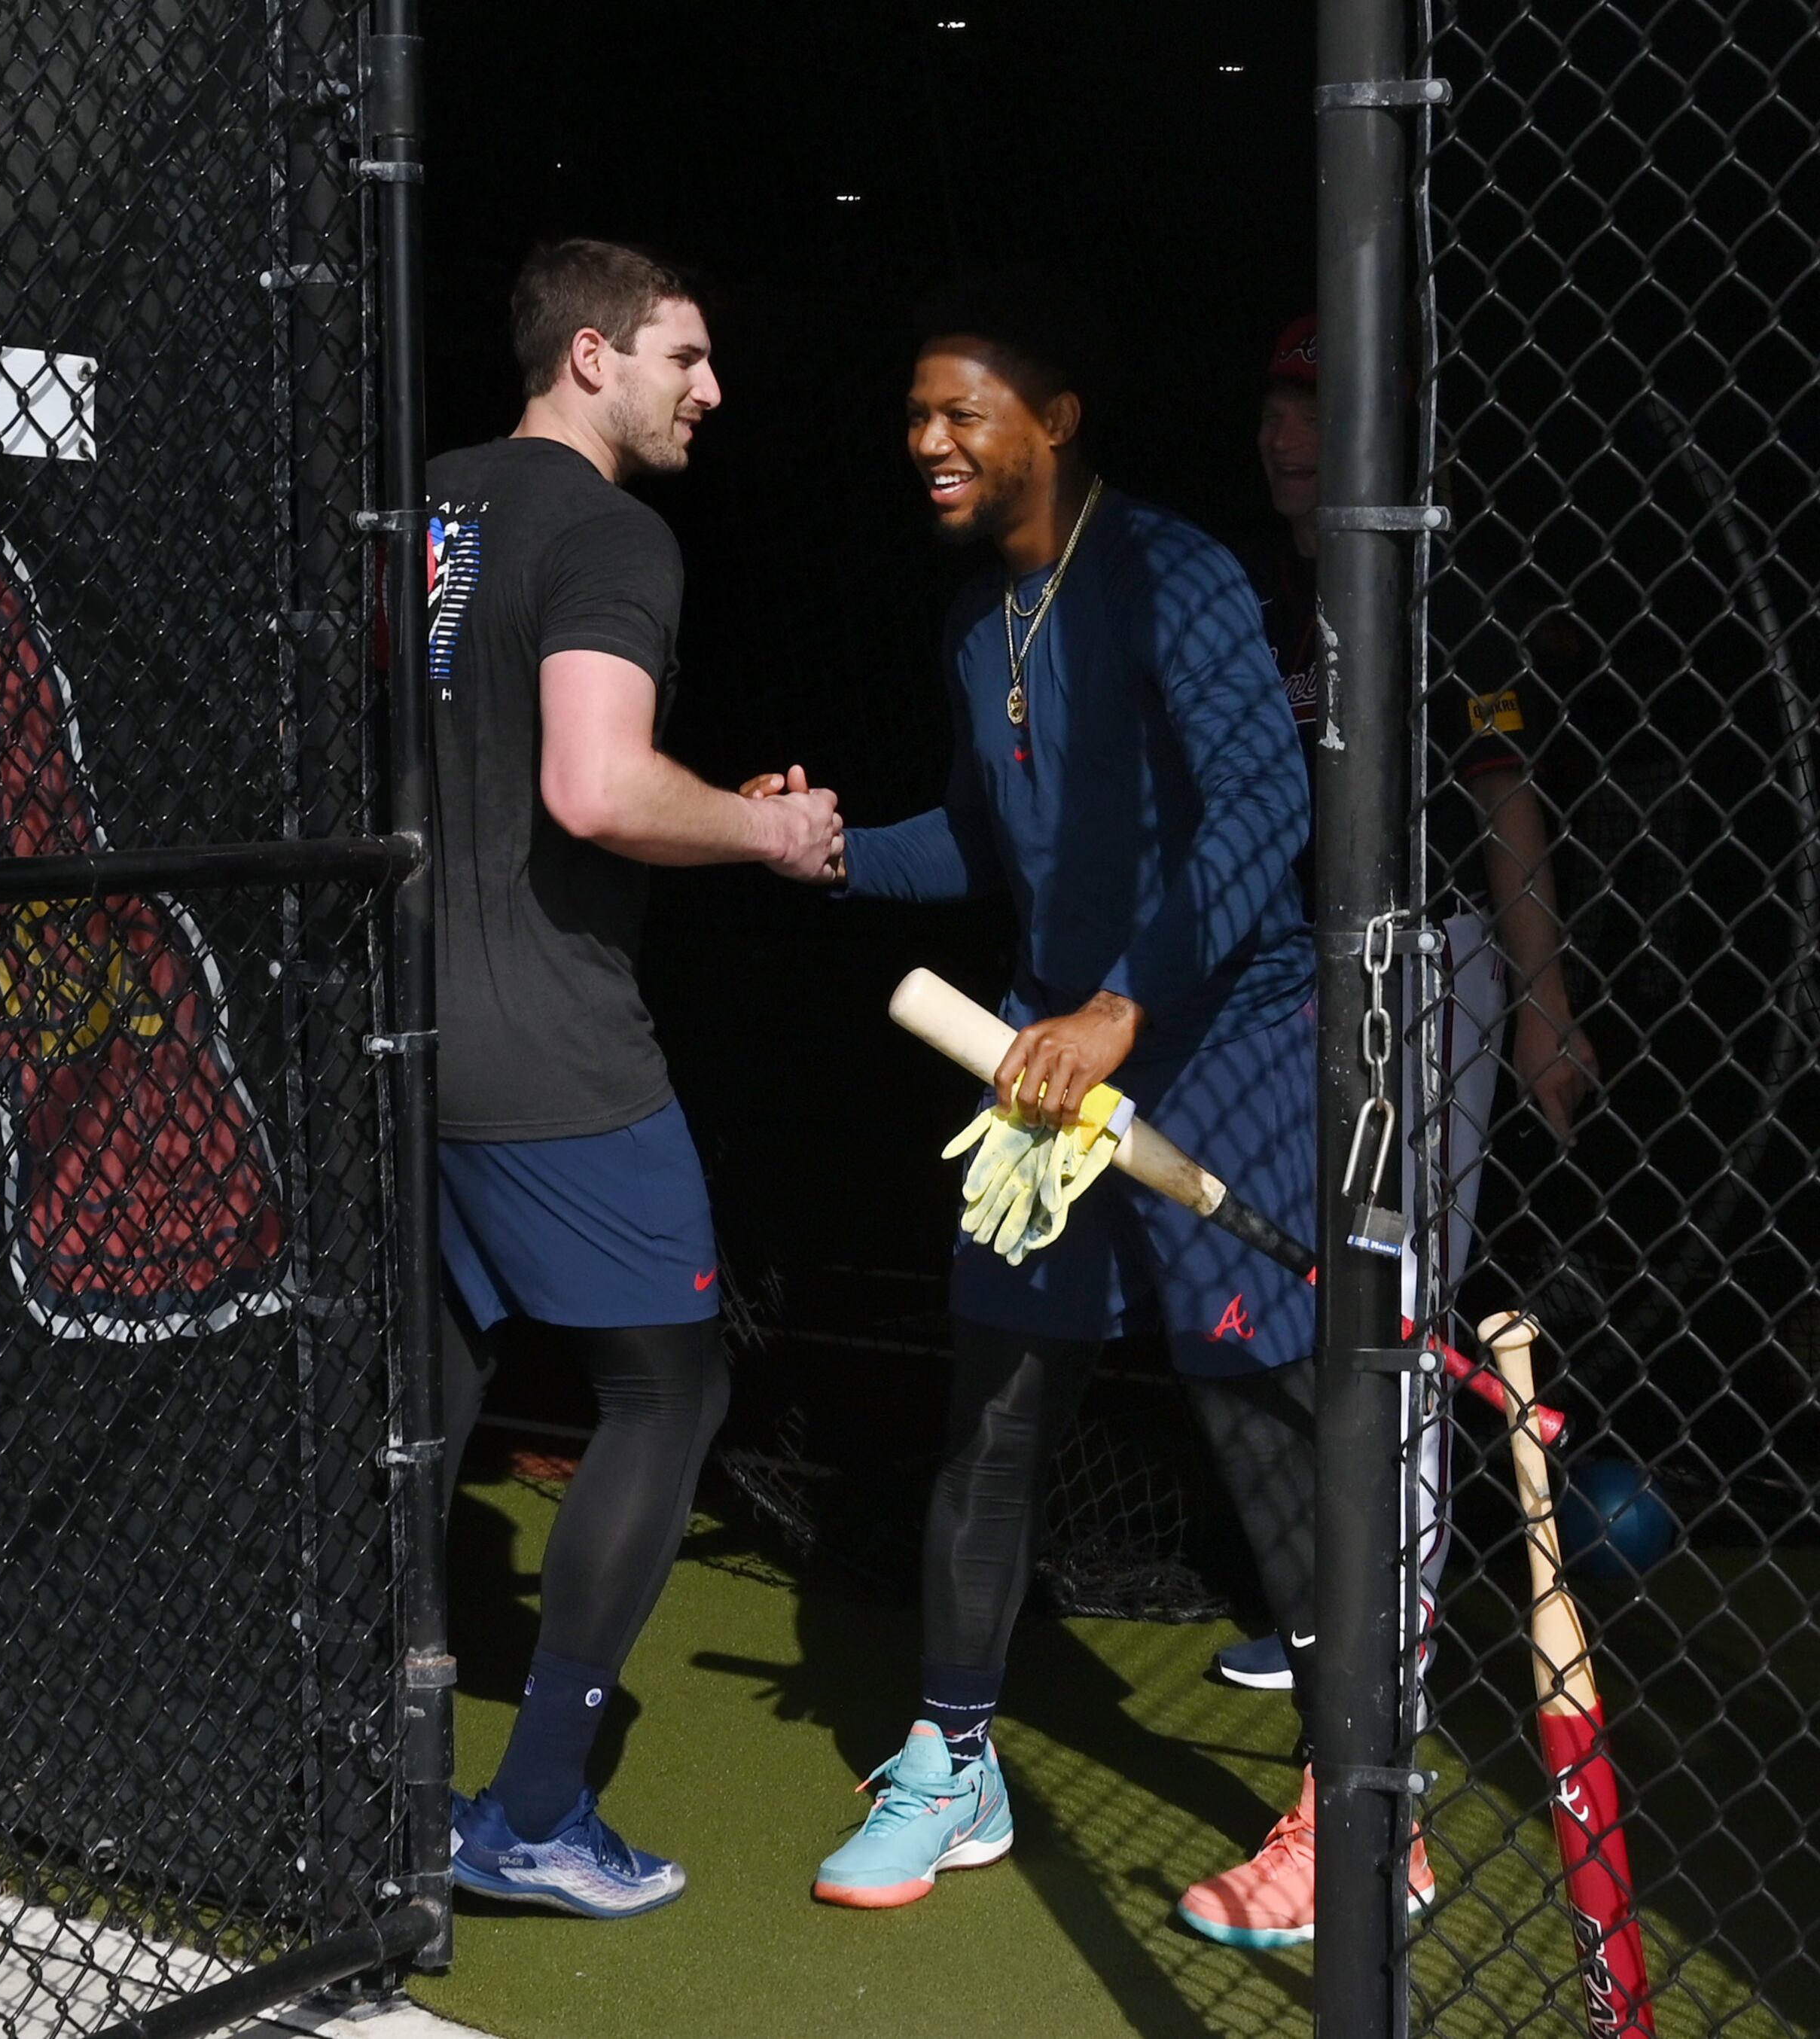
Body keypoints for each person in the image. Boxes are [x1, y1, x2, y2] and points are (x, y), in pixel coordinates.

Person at [773, 268, 1415, 1933]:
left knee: (1259, 1406)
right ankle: (954, 1754)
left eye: (960, 410)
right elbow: (988, 848)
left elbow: (1266, 804)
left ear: (1052, 421)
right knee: (997, 1398)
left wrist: (1133, 999)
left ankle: (1364, 1806)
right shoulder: (978, 620)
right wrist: (832, 844)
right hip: (1055, 1057)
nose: (926, 439)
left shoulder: (1178, 571)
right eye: (914, 412)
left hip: (1224, 1039)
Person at [425, 238, 844, 1919]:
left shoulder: (432, 507)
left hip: (398, 1024)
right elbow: (594, 787)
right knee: (670, 1390)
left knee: (432, 1383)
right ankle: (528, 1812)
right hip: (550, 1039)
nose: (714, 390)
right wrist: (767, 826)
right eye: (688, 355)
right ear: (592, 357)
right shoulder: (613, 530)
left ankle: (348, 1771)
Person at [1215, 312, 1601, 1702]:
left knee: (1393, 1297)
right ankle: (1331, 1602)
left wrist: (1546, 1003)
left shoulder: (1445, 585)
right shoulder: (1248, 590)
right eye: (1272, 405)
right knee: (1274, 1281)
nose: (1282, 432)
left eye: (1312, 409)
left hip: (1421, 971)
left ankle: (1393, 1649)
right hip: (1270, 977)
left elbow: (1505, 801)